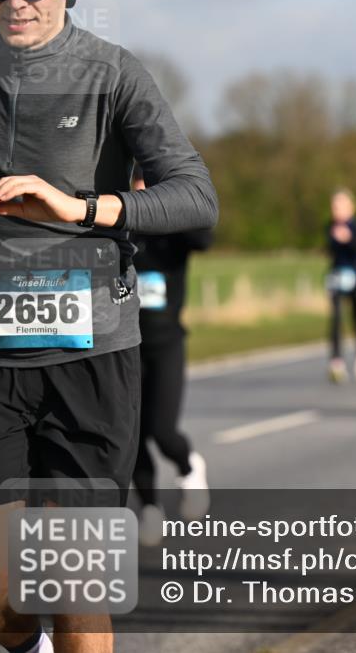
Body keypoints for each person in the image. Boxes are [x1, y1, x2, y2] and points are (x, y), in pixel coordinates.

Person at [0, 0, 218, 652]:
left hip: (92, 358)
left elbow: (196, 195)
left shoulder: (113, 71)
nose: (15, 0)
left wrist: (78, 209)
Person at [130, 167, 213, 546]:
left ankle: (188, 465)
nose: (143, 191)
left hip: (166, 345)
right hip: (125, 347)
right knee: (132, 437)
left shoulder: (174, 234)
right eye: (137, 184)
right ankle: (149, 507)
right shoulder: (124, 229)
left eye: (151, 185)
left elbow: (204, 238)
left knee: (163, 432)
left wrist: (173, 205)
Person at [325, 188, 356, 384]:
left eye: (342, 205)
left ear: (351, 207)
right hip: (337, 275)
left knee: (355, 315)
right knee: (336, 318)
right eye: (335, 206)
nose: (338, 210)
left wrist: (349, 240)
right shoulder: (330, 226)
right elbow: (329, 250)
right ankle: (336, 360)